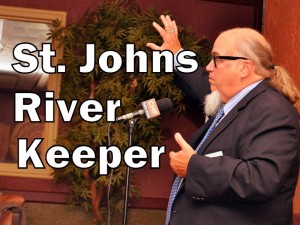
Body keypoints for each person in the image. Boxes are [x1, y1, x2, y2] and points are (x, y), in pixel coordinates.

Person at [147, 15, 300, 225]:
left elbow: (261, 178)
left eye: (217, 59)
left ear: (244, 68)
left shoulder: (272, 111)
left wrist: (194, 167)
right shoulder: (233, 104)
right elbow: (201, 84)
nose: (209, 67)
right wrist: (176, 54)